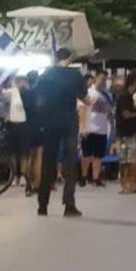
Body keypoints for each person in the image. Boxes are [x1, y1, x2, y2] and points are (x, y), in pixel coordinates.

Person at [36, 49, 87, 217]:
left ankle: (43, 205)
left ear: (55, 58)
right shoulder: (75, 75)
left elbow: (39, 100)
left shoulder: (45, 75)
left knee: (48, 163)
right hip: (69, 122)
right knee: (70, 162)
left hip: (49, 123)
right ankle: (69, 204)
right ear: (69, 59)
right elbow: (85, 98)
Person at [115, 71, 136, 194]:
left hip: (135, 131)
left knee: (134, 160)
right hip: (125, 132)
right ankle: (124, 184)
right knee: (125, 160)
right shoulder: (124, 96)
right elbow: (126, 114)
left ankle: (133, 183)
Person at [81, 71, 113, 187]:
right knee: (86, 155)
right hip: (90, 128)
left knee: (98, 156)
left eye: (105, 79)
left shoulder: (107, 96)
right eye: (101, 79)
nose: (103, 81)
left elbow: (110, 113)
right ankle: (83, 177)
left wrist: (112, 127)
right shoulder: (88, 92)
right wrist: (83, 127)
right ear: (95, 79)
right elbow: (82, 110)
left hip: (102, 129)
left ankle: (95, 178)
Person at [20, 71, 43, 197]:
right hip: (39, 125)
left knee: (30, 157)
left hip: (27, 125)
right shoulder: (40, 94)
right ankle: (37, 185)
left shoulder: (24, 94)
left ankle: (28, 185)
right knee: (39, 155)